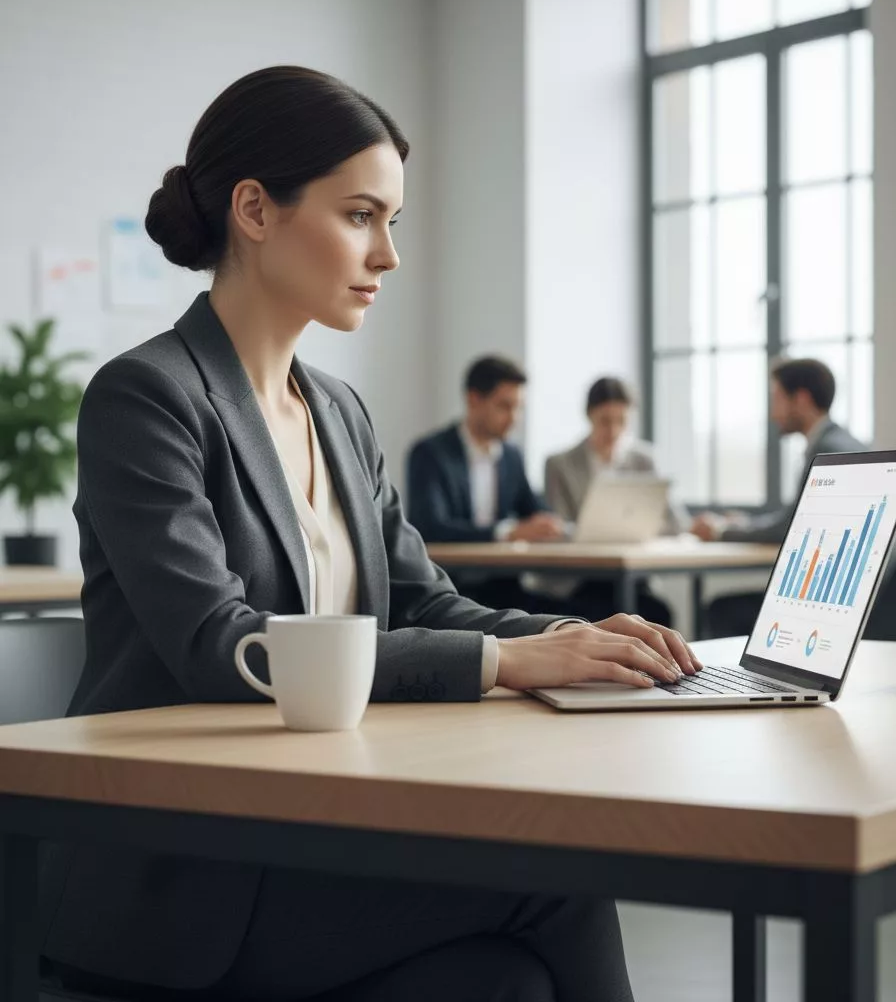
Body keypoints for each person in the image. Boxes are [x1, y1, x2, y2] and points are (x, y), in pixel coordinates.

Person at [40, 66, 702, 1002]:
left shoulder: (339, 410)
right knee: (562, 887)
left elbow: (424, 598)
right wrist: (504, 667)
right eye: (361, 215)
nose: (388, 254)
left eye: (393, 221)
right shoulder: (147, 397)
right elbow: (221, 648)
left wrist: (561, 641)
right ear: (255, 211)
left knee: (509, 976)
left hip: (309, 830)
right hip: (186, 879)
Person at [692, 357, 867, 637]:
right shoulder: (844, 443)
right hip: (852, 595)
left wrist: (721, 530)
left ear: (801, 398)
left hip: (834, 605)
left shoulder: (828, 452)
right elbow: (796, 518)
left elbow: (789, 528)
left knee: (722, 609)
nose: (773, 413)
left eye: (777, 399)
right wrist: (745, 522)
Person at [405, 357, 565, 612]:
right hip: (450, 589)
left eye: (519, 408)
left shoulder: (511, 456)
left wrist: (553, 524)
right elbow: (430, 527)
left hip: (505, 587)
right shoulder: (430, 453)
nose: (514, 418)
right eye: (505, 406)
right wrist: (506, 532)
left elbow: (534, 508)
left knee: (585, 612)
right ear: (474, 400)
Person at [542, 376, 687, 625]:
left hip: (634, 577)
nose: (613, 431)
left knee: (658, 614)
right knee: (599, 612)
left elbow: (676, 523)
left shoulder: (644, 460)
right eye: (605, 421)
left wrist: (637, 528)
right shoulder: (560, 464)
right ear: (589, 416)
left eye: (622, 421)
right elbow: (558, 527)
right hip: (581, 580)